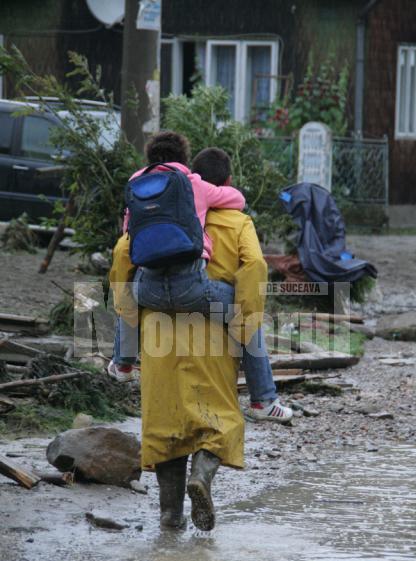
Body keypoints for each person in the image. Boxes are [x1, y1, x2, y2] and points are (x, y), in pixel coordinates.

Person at [110, 149, 287, 530]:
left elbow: (122, 257)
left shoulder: (158, 217)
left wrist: (127, 331)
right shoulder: (238, 221)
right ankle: (201, 478)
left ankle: (169, 517)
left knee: (165, 424)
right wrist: (245, 323)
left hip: (157, 332)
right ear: (222, 183)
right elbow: (255, 265)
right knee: (216, 418)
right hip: (212, 335)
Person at [110, 140, 293, 423]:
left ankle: (122, 363)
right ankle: (264, 400)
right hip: (193, 289)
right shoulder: (194, 185)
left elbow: (125, 246)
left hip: (148, 291)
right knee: (246, 315)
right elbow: (241, 210)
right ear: (185, 161)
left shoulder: (136, 184)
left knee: (125, 295)